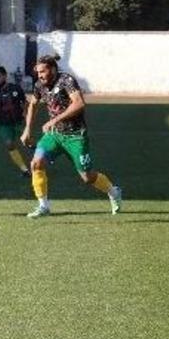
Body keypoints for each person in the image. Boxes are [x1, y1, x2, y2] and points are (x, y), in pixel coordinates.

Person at [20, 54, 123, 218]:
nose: (39, 75)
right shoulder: (40, 85)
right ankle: (43, 206)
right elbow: (32, 104)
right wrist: (27, 130)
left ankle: (113, 191)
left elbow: (79, 103)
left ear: (53, 69)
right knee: (36, 164)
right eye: (38, 72)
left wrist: (55, 120)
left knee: (88, 177)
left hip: (76, 136)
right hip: (54, 135)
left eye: (43, 71)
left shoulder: (66, 80)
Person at [0, 66, 30, 177]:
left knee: (28, 143)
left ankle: (42, 159)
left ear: (5, 76)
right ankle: (25, 170)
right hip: (5, 125)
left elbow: (25, 102)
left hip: (19, 122)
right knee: (9, 144)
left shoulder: (15, 88)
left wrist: (25, 113)